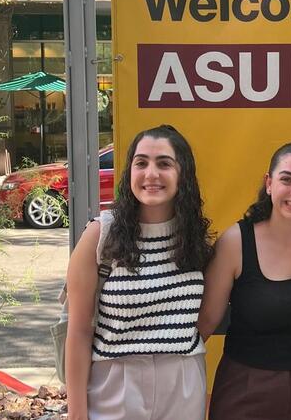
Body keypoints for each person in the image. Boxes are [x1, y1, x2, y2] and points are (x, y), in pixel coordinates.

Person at [65, 124, 213, 420]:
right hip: (114, 383)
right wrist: (76, 411)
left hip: (182, 380)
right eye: (141, 163)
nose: (151, 174)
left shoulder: (194, 236)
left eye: (164, 164)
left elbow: (203, 318)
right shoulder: (100, 235)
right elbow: (78, 332)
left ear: (182, 173)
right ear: (129, 172)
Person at [198, 142, 291, 420]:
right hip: (247, 390)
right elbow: (204, 323)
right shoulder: (236, 242)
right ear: (268, 183)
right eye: (286, 179)